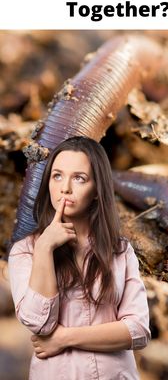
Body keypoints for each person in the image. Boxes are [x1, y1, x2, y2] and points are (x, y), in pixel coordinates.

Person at [8, 136, 151, 380]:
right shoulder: (26, 251)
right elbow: (38, 324)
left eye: (79, 178)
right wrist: (44, 249)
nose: (65, 188)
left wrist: (64, 338)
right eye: (57, 176)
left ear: (97, 190)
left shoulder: (120, 251)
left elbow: (137, 331)